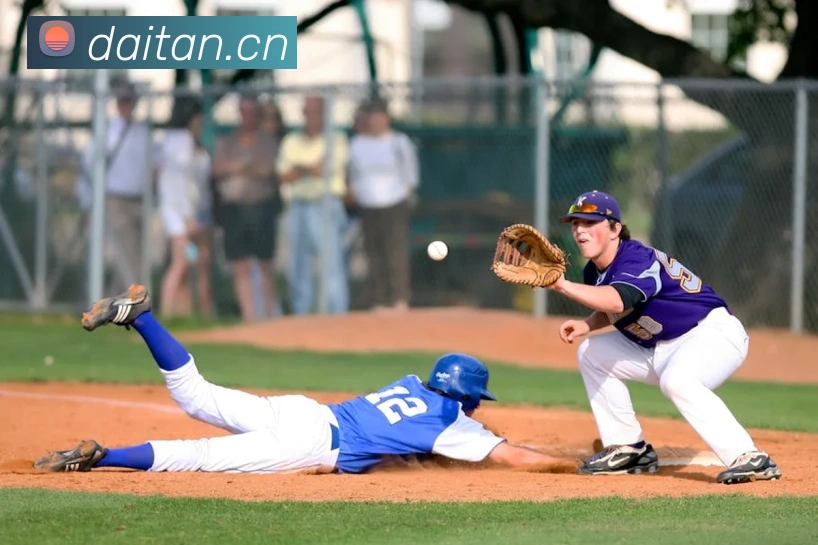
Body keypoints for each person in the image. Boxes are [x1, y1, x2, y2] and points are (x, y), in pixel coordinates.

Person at [33, 285, 572, 475]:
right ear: (466, 399)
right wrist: (574, 465)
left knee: (195, 395)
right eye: (475, 402)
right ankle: (102, 457)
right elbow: (513, 457)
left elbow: (410, 442)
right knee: (196, 454)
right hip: (311, 442)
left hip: (304, 411)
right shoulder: (450, 424)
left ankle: (142, 316)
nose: (476, 411)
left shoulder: (411, 383)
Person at [548, 190, 782, 485]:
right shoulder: (593, 272)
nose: (580, 230)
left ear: (615, 229)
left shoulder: (636, 258)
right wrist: (588, 325)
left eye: (590, 222)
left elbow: (621, 299)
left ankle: (749, 457)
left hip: (711, 334)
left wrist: (562, 286)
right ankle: (629, 450)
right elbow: (617, 307)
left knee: (678, 381)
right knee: (591, 352)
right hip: (660, 346)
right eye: (575, 223)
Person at [276, 95, 350, 315]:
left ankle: (336, 313)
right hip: (298, 205)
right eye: (308, 111)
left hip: (325, 204)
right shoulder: (291, 141)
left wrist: (299, 169)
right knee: (298, 264)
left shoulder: (336, 139)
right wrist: (308, 169)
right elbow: (284, 176)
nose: (312, 116)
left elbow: (325, 170)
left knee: (331, 262)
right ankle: (301, 313)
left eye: (317, 111)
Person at [212, 93, 280, 321]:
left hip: (261, 207)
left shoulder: (267, 140)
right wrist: (246, 165)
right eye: (245, 111)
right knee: (239, 264)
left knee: (265, 264)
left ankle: (269, 316)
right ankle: (250, 318)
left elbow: (267, 169)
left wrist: (236, 167)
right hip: (234, 210)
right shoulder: (228, 140)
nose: (248, 116)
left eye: (253, 112)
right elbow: (218, 169)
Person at [347, 99, 419, 313]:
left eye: (380, 116)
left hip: (394, 202)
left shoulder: (399, 142)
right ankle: (379, 300)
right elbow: (352, 173)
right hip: (367, 204)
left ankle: (399, 298)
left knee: (395, 251)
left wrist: (404, 194)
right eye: (373, 117)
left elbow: (410, 174)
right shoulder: (358, 143)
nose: (376, 121)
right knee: (373, 252)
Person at [157, 97, 214, 318]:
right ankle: (167, 312)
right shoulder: (180, 143)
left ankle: (185, 313)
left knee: (192, 261)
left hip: (191, 213)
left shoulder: (188, 142)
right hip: (180, 215)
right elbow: (181, 184)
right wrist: (188, 217)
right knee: (181, 262)